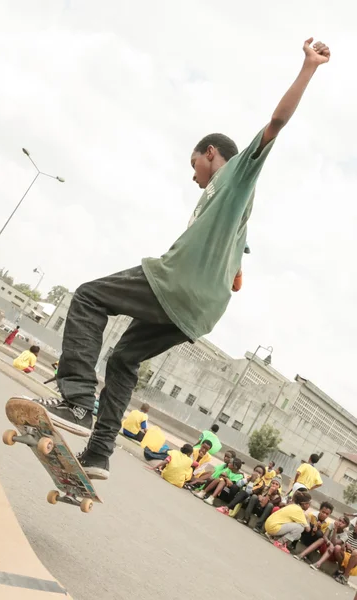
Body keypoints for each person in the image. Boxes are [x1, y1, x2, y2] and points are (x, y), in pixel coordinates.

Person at [30, 38, 331, 481]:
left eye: (195, 165)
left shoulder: (236, 173)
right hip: (199, 311)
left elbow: (276, 123)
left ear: (212, 153)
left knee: (89, 298)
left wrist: (308, 68)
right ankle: (98, 454)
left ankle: (76, 401)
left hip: (177, 284)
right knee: (124, 358)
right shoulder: (232, 208)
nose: (194, 177)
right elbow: (238, 266)